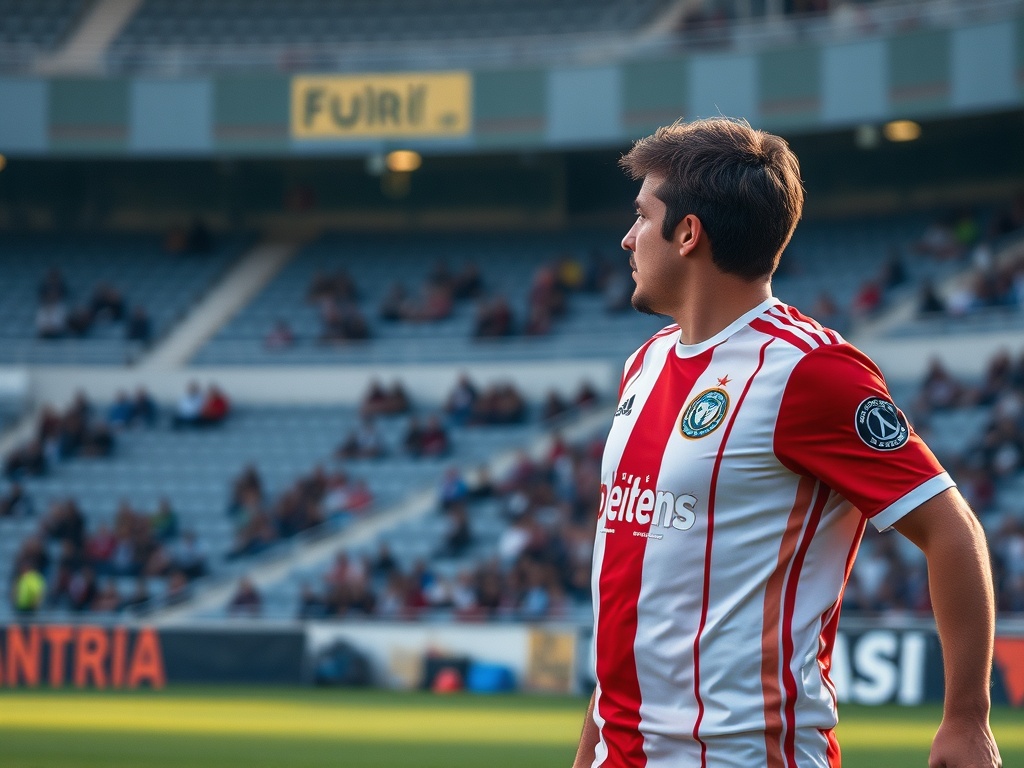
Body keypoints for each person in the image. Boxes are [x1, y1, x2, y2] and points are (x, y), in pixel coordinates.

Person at [573, 118, 1001, 768]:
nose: (628, 237)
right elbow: (627, 604)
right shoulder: (646, 364)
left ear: (688, 234)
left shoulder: (810, 372)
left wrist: (966, 717)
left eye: (642, 216)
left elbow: (951, 527)